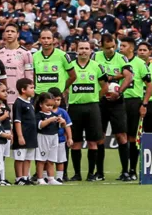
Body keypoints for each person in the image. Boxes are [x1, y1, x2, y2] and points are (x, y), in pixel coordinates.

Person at [64, 40, 107, 182]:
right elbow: (65, 85)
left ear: (91, 51)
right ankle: (77, 174)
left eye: (86, 48)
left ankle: (91, 173)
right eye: (81, 48)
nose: (83, 51)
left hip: (92, 107)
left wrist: (96, 98)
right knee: (75, 142)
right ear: (76, 50)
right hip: (75, 107)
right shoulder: (70, 67)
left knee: (92, 141)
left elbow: (104, 87)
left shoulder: (97, 67)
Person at [92, 34, 132, 181]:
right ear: (101, 46)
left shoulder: (121, 58)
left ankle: (125, 172)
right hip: (101, 101)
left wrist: (119, 91)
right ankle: (100, 173)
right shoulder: (95, 57)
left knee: (121, 136)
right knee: (100, 136)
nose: (111, 50)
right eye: (107, 47)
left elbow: (129, 76)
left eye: (113, 46)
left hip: (117, 102)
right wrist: (112, 77)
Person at [120, 37, 152, 181]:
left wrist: (144, 104)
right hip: (118, 102)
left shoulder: (140, 64)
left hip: (133, 102)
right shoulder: (118, 61)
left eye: (124, 46)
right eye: (120, 45)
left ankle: (133, 170)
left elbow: (149, 86)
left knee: (133, 137)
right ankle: (124, 170)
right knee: (121, 136)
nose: (121, 48)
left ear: (131, 48)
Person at [0, 23, 33, 107]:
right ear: (4, 34)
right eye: (7, 31)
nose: (9, 33)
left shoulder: (26, 53)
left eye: (12, 31)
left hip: (19, 97)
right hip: (1, 99)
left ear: (18, 34)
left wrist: (28, 96)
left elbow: (29, 77)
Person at [12, 77, 37, 185]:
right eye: (31, 88)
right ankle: (19, 178)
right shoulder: (18, 103)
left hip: (31, 136)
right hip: (23, 135)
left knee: (28, 158)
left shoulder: (29, 103)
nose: (33, 90)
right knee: (20, 158)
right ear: (23, 90)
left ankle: (26, 177)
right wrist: (20, 136)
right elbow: (17, 121)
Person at [34, 92, 64, 185]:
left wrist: (62, 121)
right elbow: (40, 125)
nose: (50, 107)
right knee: (41, 159)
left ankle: (51, 178)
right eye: (47, 105)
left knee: (51, 159)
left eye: (51, 105)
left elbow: (62, 126)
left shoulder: (54, 115)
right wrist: (50, 119)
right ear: (41, 104)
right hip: (43, 137)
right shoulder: (39, 115)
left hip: (54, 137)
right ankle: (40, 178)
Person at [32, 29, 73, 95]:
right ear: (39, 40)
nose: (46, 40)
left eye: (48, 38)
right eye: (43, 38)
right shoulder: (34, 56)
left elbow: (73, 76)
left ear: (53, 40)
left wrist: (62, 89)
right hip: (39, 95)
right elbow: (33, 76)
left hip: (56, 95)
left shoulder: (62, 55)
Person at [48, 87, 72, 182]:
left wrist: (69, 138)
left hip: (60, 140)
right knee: (47, 160)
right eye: (55, 100)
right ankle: (46, 176)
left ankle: (59, 177)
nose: (57, 102)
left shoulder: (63, 112)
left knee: (60, 159)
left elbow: (68, 126)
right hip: (48, 139)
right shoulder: (45, 111)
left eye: (59, 100)